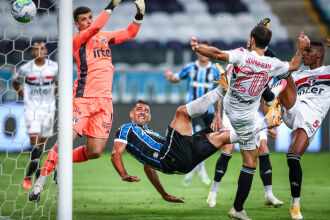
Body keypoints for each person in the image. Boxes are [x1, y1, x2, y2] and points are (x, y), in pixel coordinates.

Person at [29, 0, 145, 202]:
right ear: (77, 24)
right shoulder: (78, 40)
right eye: (84, 19)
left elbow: (130, 33)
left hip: (104, 102)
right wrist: (112, 5)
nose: (89, 21)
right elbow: (98, 25)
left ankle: (61, 163)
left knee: (95, 152)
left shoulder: (104, 38)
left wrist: (139, 14)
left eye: (90, 17)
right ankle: (40, 183)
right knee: (66, 140)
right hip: (82, 100)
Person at [190, 25, 310, 219]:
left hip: (232, 108)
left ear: (251, 39)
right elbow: (295, 65)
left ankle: (269, 108)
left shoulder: (241, 55)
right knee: (251, 162)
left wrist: (198, 48)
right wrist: (301, 47)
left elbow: (217, 54)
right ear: (267, 44)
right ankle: (237, 209)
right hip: (245, 117)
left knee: (265, 104)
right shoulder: (273, 63)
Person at [111, 90, 279, 203]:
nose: (142, 112)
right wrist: (123, 174)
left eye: (146, 110)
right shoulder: (126, 129)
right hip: (170, 157)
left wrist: (164, 195)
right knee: (182, 113)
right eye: (138, 109)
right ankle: (221, 89)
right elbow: (115, 154)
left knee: (220, 136)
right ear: (131, 114)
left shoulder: (148, 134)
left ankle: (264, 124)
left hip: (183, 163)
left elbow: (149, 168)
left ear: (149, 117)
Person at [206, 66, 283, 208]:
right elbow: (221, 91)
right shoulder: (234, 66)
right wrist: (217, 114)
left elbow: (262, 100)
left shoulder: (262, 69)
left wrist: (270, 125)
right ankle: (214, 190)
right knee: (228, 149)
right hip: (232, 113)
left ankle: (269, 194)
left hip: (251, 115)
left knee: (263, 149)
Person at [278, 40, 330, 219]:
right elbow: (287, 76)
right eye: (304, 51)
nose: (305, 54)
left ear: (319, 54)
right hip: (293, 108)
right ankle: (272, 109)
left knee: (292, 157)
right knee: (284, 74)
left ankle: (295, 205)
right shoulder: (299, 74)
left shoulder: (328, 71)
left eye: (309, 51)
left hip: (311, 114)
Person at [164, 40, 221, 186]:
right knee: (196, 137)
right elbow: (176, 78)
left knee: (203, 142)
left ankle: (193, 170)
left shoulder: (215, 70)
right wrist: (170, 76)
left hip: (209, 112)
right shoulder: (190, 68)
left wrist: (217, 113)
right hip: (194, 112)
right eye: (202, 49)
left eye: (207, 49)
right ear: (198, 51)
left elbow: (219, 93)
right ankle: (200, 171)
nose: (203, 52)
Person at [13, 42, 58, 190]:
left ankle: (36, 173)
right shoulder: (25, 68)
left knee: (41, 144)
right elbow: (15, 83)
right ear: (31, 52)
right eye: (35, 49)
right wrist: (25, 97)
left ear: (46, 50)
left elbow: (60, 82)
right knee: (34, 140)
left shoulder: (54, 67)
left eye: (42, 48)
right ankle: (28, 177)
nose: (39, 51)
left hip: (49, 109)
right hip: (32, 108)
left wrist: (52, 94)